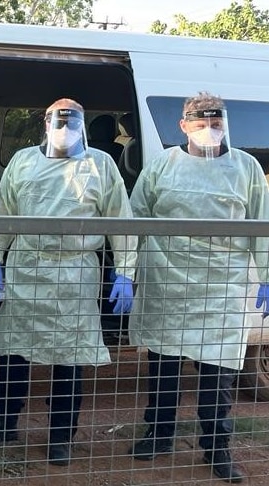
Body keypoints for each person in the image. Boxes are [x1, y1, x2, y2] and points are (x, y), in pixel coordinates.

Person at [0, 98, 137, 466]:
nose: (64, 130)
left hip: (75, 272)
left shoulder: (100, 164)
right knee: (14, 353)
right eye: (57, 122)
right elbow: (5, 212)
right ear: (45, 124)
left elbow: (121, 221)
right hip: (27, 267)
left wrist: (125, 271)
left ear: (82, 125)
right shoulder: (23, 161)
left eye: (71, 122)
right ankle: (2, 421)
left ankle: (61, 434)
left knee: (70, 357)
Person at [128, 92, 269, 484]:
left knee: (217, 376)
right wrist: (127, 269)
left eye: (216, 120)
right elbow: (136, 218)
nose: (209, 127)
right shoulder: (163, 166)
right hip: (167, 284)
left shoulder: (246, 168)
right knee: (164, 370)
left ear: (225, 123)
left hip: (221, 287)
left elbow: (263, 224)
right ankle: (159, 435)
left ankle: (217, 449)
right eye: (201, 120)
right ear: (183, 125)